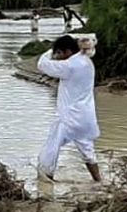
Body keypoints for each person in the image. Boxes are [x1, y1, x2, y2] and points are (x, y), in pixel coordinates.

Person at [37, 35, 102, 182]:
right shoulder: (87, 62)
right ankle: (99, 181)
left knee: (50, 150)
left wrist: (49, 50)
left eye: (58, 53)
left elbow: (42, 64)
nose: (57, 57)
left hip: (67, 118)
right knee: (88, 151)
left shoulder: (69, 66)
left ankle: (46, 183)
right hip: (85, 117)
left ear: (67, 51)